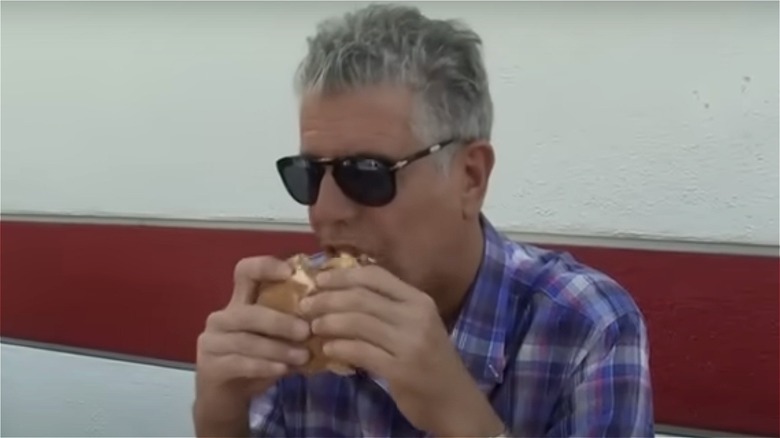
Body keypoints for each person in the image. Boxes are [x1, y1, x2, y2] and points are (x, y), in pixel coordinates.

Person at [193, 4, 654, 437]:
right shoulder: (296, 328)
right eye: (309, 174)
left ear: (469, 178)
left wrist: (460, 415)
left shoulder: (587, 325)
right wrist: (219, 417)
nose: (324, 212)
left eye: (366, 174)